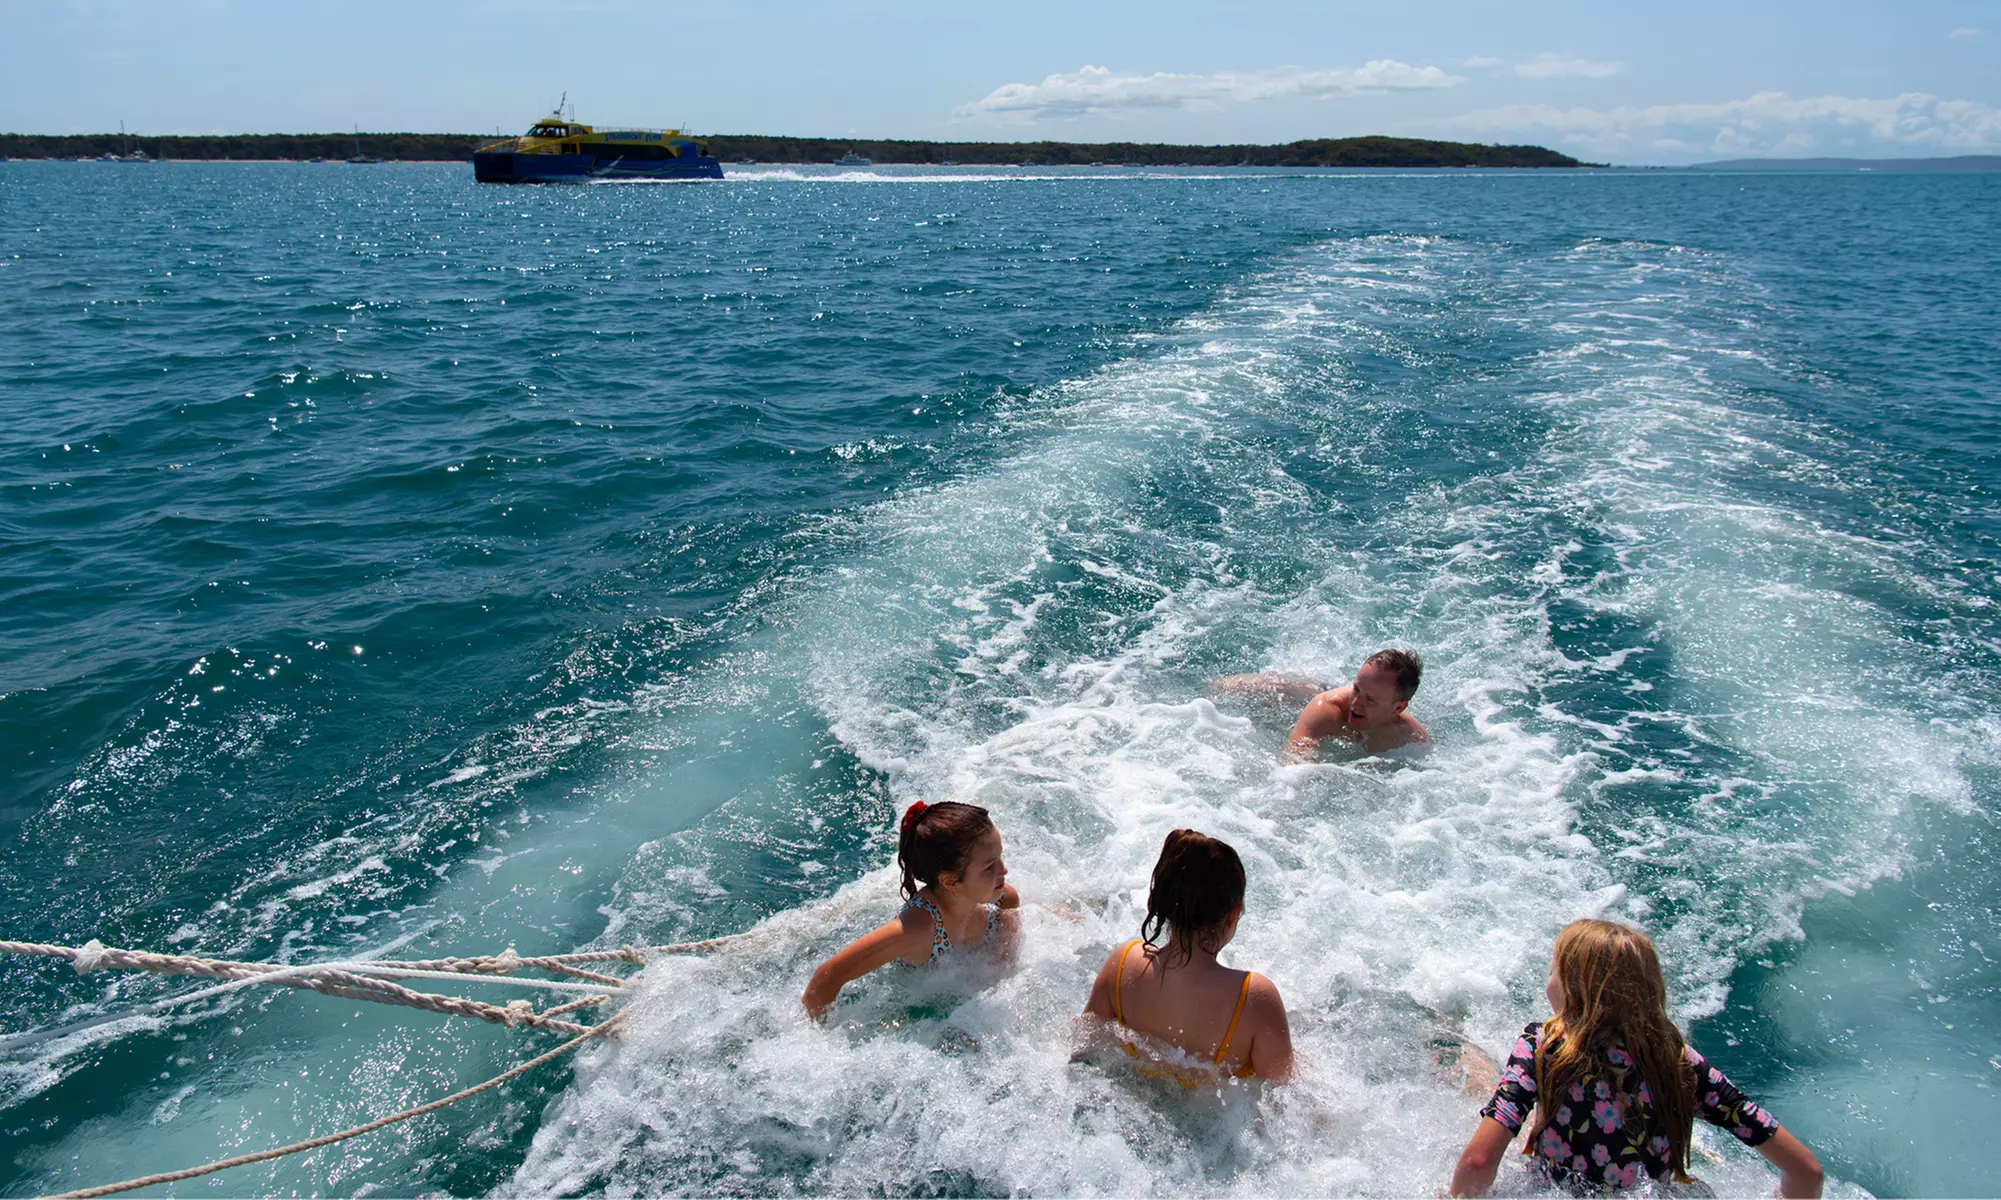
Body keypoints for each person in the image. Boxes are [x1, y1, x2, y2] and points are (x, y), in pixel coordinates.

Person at [1449, 919, 1823, 1197]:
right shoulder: (1681, 1063)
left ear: (1576, 991)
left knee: (1485, 1095)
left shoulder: (1542, 1044)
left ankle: (1457, 1041)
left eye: (1552, 973)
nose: (1548, 982)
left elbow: (1478, 1164)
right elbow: (1808, 1172)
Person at [1082, 829, 1292, 1083]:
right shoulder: (1255, 999)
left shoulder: (1123, 964)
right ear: (1233, 914)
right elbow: (1283, 1096)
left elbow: (1082, 1042)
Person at [801, 800, 1019, 1019]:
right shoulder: (918, 930)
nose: (1004, 869)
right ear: (950, 881)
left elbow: (1004, 979)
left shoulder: (1003, 902)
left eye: (1000, 856)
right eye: (990, 866)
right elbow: (825, 979)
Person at [1281, 648, 1429, 759]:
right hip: (1312, 692)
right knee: (1264, 685)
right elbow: (1294, 763)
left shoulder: (1411, 736)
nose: (1356, 703)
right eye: (1356, 689)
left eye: (1370, 700)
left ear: (1398, 708)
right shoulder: (1327, 710)